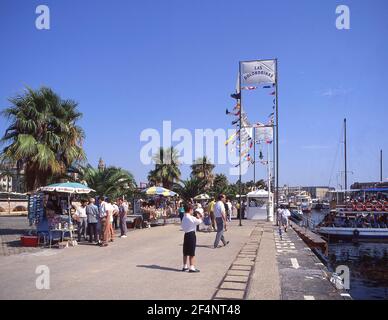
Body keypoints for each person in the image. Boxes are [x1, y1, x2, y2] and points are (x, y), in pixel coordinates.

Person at [181, 202, 203, 273]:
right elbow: (199, 221)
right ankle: (192, 267)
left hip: (186, 234)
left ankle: (185, 266)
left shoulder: (184, 217)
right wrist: (200, 217)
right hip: (191, 234)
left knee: (185, 251)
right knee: (191, 252)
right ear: (190, 209)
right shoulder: (191, 218)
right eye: (192, 209)